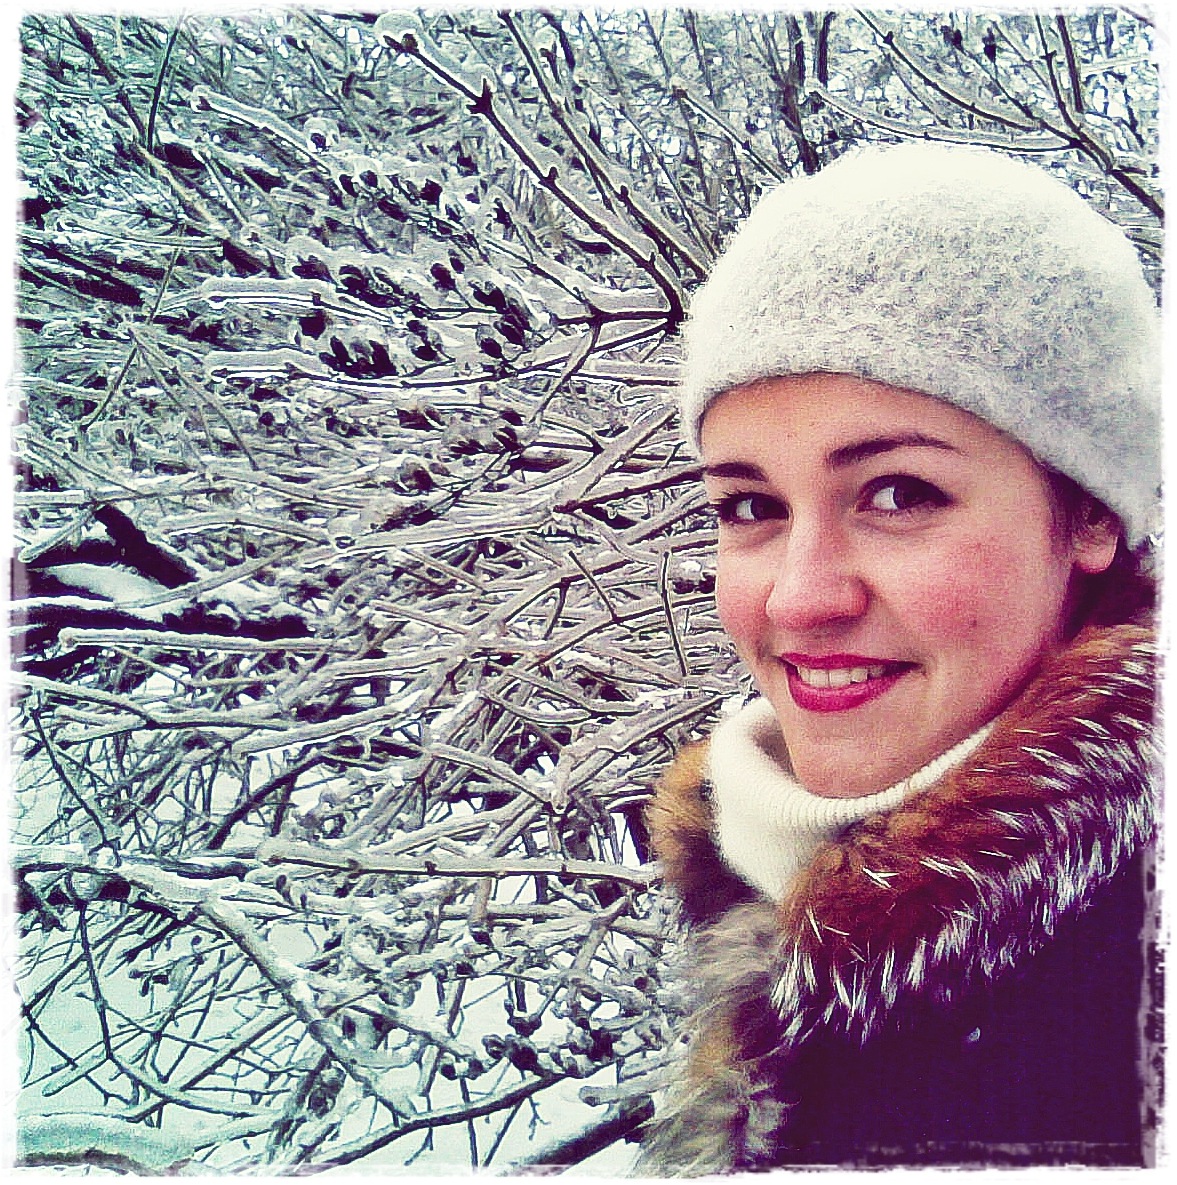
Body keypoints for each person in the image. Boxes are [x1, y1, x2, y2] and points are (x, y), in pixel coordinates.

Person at [637, 143, 1160, 1172]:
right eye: (747, 505)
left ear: (1091, 516)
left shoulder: (1120, 1018)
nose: (799, 596)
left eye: (898, 493)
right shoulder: (767, 878)